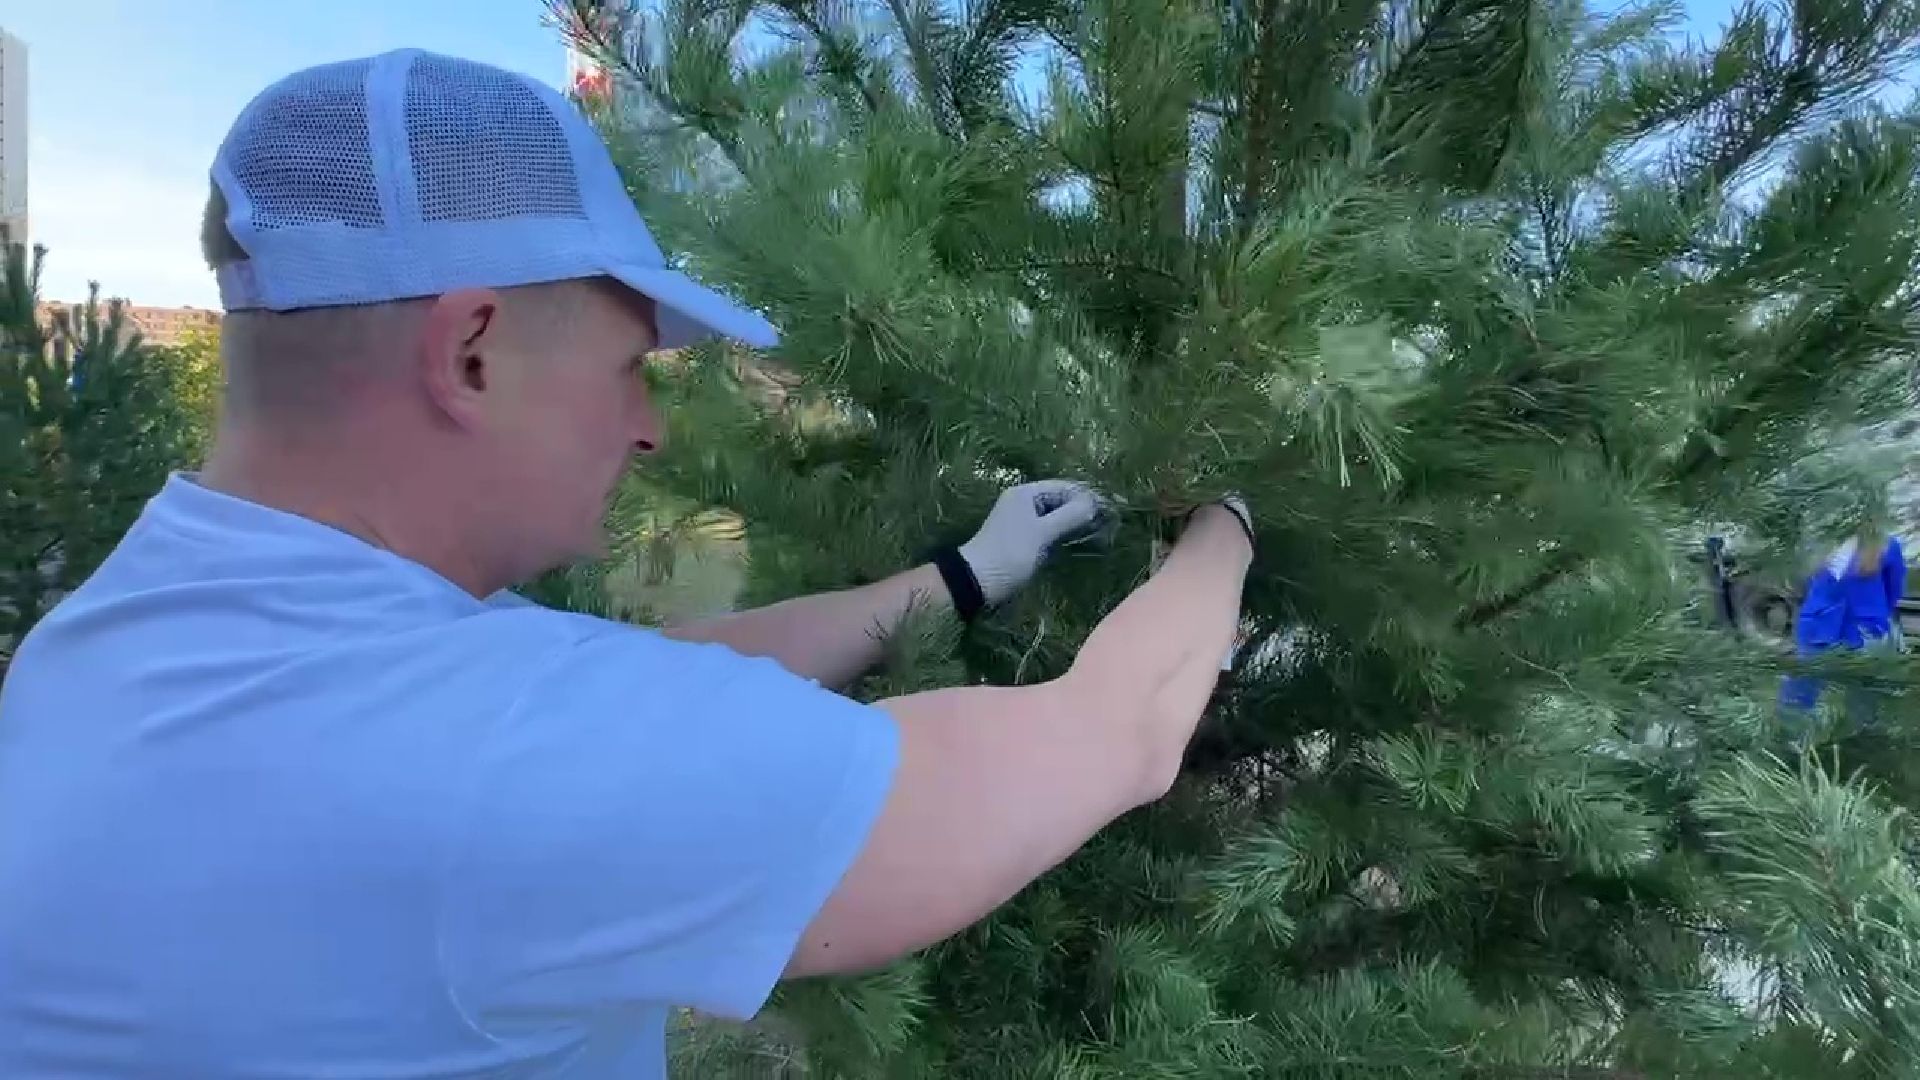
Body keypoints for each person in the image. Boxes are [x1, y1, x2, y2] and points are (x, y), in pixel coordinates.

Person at [0, 50, 1254, 1077]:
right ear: (474, 351)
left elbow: (642, 676)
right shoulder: (490, 756)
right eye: (627, 365)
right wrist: (1233, 505)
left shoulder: (112, 639)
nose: (650, 423)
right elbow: (1118, 731)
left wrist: (964, 577)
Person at [1779, 516, 1907, 740]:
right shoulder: (1816, 544)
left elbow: (1894, 590)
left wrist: (1872, 614)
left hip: (1865, 631)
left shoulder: (1887, 544)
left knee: (1863, 699)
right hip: (1818, 628)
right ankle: (1791, 749)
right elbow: (1805, 584)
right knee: (1799, 694)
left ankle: (1859, 749)